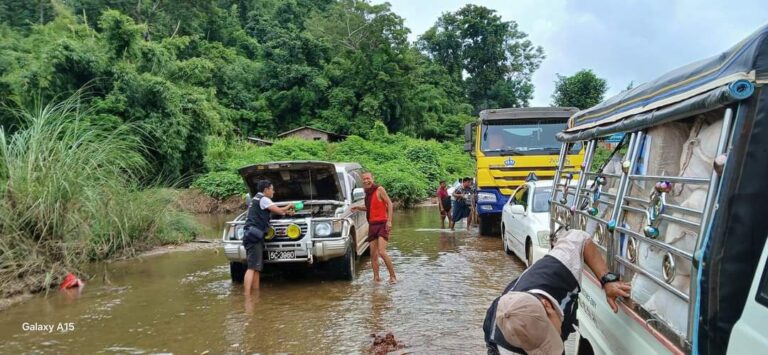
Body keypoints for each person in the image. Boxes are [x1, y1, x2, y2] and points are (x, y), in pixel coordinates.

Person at [483, 229, 631, 354]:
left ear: (547, 305)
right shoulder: (504, 345)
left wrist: (607, 279)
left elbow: (579, 238)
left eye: (549, 336)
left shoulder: (557, 270)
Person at [243, 180, 294, 295]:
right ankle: (246, 296)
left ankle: (255, 294)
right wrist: (289, 206)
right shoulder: (264, 199)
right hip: (254, 236)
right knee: (251, 267)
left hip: (251, 235)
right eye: (272, 189)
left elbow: (270, 211)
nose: (273, 191)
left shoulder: (256, 198)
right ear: (266, 190)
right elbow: (279, 211)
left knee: (256, 267)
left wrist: (286, 213)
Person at [351, 172, 397, 283]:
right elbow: (369, 207)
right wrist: (358, 207)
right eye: (364, 179)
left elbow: (389, 204)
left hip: (382, 224)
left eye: (368, 178)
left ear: (373, 178)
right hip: (372, 225)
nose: (366, 181)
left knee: (382, 251)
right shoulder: (367, 192)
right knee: (373, 254)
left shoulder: (379, 189)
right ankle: (376, 278)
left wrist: (389, 221)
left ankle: (393, 276)